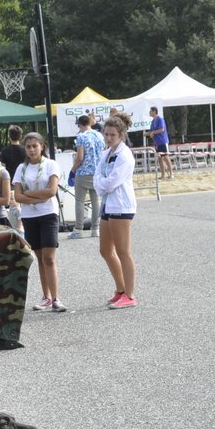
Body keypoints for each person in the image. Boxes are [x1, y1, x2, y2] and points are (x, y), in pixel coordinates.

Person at [14, 132, 64, 313]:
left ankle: (56, 298)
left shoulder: (51, 165)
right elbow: (17, 196)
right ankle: (46, 297)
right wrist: (37, 196)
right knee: (40, 259)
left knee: (49, 258)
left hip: (48, 213)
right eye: (28, 147)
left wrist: (29, 195)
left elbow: (51, 191)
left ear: (42, 146)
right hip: (29, 216)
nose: (32, 150)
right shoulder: (21, 168)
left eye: (35, 146)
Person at [93, 114, 138, 309]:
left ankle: (129, 294)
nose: (109, 138)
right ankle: (120, 290)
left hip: (121, 205)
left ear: (121, 135)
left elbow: (112, 181)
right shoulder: (107, 153)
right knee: (105, 250)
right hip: (107, 205)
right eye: (106, 134)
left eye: (112, 134)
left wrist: (101, 185)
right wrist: (101, 185)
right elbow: (97, 177)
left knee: (123, 251)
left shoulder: (125, 154)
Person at [69, 113, 103, 239]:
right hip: (97, 172)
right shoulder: (99, 135)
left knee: (79, 201)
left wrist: (72, 170)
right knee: (96, 200)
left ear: (80, 125)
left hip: (83, 173)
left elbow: (80, 158)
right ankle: (95, 228)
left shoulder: (81, 137)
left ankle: (78, 229)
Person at [146, 106, 173, 179]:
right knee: (160, 159)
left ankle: (171, 173)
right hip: (157, 142)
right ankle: (163, 175)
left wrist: (153, 133)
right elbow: (152, 131)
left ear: (154, 111)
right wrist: (147, 134)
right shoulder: (153, 121)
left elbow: (162, 129)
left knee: (166, 157)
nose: (149, 112)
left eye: (150, 111)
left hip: (163, 141)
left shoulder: (160, 119)